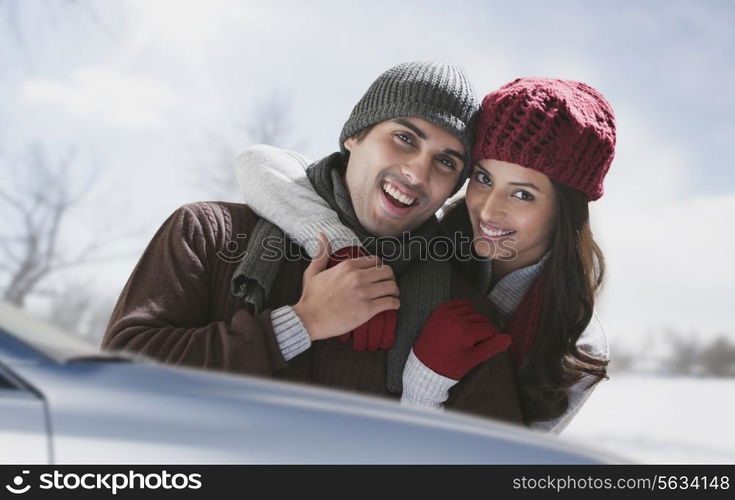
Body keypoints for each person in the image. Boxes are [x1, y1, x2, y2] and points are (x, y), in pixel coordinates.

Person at [101, 61, 524, 425]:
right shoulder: (210, 234)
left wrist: (425, 396)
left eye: (446, 162)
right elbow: (118, 383)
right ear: (355, 136)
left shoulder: (460, 311)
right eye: (404, 138)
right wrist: (300, 323)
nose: (416, 172)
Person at [233, 77, 615, 433]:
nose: (487, 210)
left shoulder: (575, 344)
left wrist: (425, 387)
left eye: (522, 194)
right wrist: (336, 243)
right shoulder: (426, 236)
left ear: (565, 210)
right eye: (483, 179)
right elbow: (263, 164)